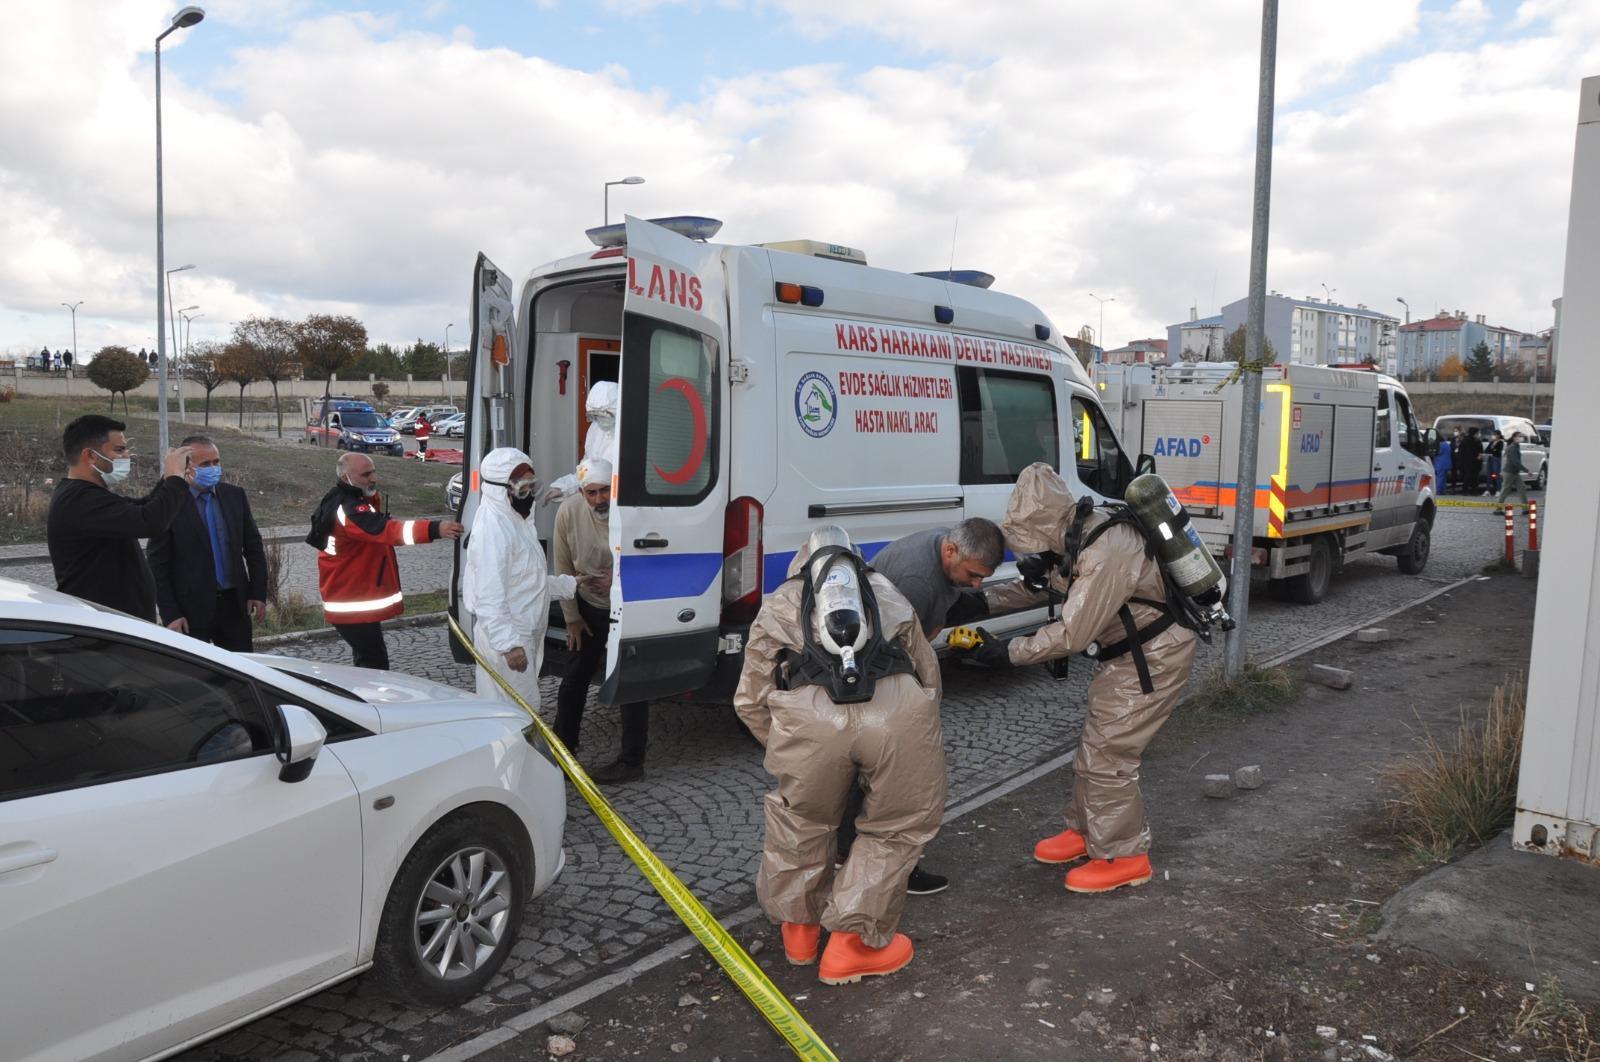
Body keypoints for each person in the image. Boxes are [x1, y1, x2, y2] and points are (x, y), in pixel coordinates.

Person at [957, 462, 1199, 894]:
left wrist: (1006, 652)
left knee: (1111, 754)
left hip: (1154, 657)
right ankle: (1086, 831)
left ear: (1047, 522)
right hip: (1129, 654)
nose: (1031, 550)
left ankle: (1125, 854)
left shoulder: (1108, 550)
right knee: (1095, 744)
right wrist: (980, 604)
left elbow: (1073, 631)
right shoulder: (1079, 533)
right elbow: (1048, 585)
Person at [736, 526, 945, 985]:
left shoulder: (780, 603)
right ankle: (851, 945)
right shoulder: (886, 592)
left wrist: (788, 744)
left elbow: (750, 697)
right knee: (897, 825)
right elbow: (928, 674)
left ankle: (800, 936)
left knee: (801, 822)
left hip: (810, 722)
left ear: (801, 564)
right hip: (897, 715)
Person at [834, 517, 1007, 896]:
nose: (977, 584)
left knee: (874, 774)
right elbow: (901, 647)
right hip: (885, 680)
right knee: (897, 779)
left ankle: (850, 851)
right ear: (951, 550)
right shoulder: (919, 582)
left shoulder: (941, 549)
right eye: (973, 574)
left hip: (888, 670)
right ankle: (886, 868)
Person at [461, 447, 593, 711]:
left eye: (532, 486)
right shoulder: (494, 530)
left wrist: (570, 584)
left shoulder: (515, 521)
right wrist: (509, 645)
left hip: (522, 628)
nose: (530, 495)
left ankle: (516, 751)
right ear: (502, 489)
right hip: (510, 633)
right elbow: (489, 596)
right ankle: (514, 753)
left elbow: (526, 581)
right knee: (516, 709)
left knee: (515, 706)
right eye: (523, 488)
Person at [307, 451, 463, 669]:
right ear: (346, 479)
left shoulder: (343, 500)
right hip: (352, 604)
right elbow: (387, 531)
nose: (373, 478)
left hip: (350, 599)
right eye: (366, 474)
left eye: (374, 472)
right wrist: (436, 528)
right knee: (374, 665)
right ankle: (370, 702)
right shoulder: (350, 509)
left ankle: (364, 699)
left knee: (367, 660)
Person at [551, 458, 651, 784]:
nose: (598, 499)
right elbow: (563, 566)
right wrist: (571, 618)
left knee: (629, 682)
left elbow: (653, 557)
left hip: (629, 606)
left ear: (615, 487)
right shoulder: (568, 512)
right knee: (574, 678)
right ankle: (563, 752)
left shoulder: (633, 511)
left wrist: (620, 582)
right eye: (590, 492)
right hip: (589, 606)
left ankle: (632, 761)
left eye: (604, 490)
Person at [47, 415, 192, 620]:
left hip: (119, 626)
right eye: (119, 449)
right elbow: (150, 522)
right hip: (103, 633)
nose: (127, 455)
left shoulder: (89, 495)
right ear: (90, 455)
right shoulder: (79, 500)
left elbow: (140, 508)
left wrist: (169, 479)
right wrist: (174, 481)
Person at [146, 435, 268, 651]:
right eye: (205, 464)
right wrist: (171, 613)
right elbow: (157, 563)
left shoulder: (234, 496)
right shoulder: (169, 503)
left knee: (241, 673)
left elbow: (253, 547)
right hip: (190, 612)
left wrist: (257, 592)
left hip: (234, 607)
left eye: (216, 462)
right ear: (186, 467)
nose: (213, 468)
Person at [544, 381, 618, 502]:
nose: (599, 420)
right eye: (594, 416)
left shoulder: (632, 434)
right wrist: (564, 488)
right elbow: (587, 468)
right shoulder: (596, 429)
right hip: (598, 498)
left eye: (604, 415)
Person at [1497, 430, 1530, 506]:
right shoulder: (1512, 447)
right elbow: (1515, 462)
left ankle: (1525, 508)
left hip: (1514, 472)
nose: (1521, 438)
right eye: (1519, 436)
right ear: (1514, 438)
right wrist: (1526, 470)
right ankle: (1498, 508)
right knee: (1505, 490)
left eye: (1522, 436)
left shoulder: (1516, 446)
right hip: (1510, 472)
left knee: (1522, 489)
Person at [1456, 426, 1483, 496]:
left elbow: (1479, 450)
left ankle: (1473, 491)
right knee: (1468, 477)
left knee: (1474, 477)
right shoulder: (1468, 441)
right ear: (1474, 433)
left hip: (1474, 463)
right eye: (1478, 433)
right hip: (1469, 463)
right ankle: (1466, 491)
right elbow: (1468, 452)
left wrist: (1480, 455)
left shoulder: (1476, 440)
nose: (1479, 434)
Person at [1483, 430, 1504, 496]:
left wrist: (1491, 451)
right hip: (1490, 458)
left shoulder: (1500, 442)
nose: (1493, 436)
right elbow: (1486, 449)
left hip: (1496, 459)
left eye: (1495, 434)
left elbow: (1497, 451)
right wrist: (1491, 451)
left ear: (1498, 435)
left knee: (1496, 474)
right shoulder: (1492, 442)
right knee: (1489, 474)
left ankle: (1498, 490)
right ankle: (1487, 490)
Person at [1432, 432, 1453, 496]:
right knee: (1443, 478)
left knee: (1439, 478)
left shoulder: (1440, 445)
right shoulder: (1446, 444)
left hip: (1440, 464)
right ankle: (1443, 491)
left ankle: (1438, 491)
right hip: (1447, 464)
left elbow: (1436, 453)